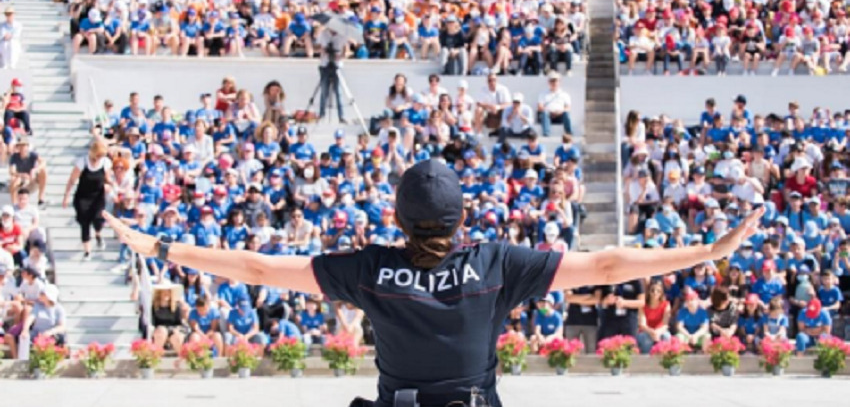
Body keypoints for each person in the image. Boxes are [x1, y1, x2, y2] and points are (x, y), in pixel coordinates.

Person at [106, 160, 764, 407]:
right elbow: (610, 266)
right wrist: (707, 249)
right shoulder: (495, 264)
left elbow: (253, 267)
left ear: (396, 218)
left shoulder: (368, 269)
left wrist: (159, 244)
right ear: (462, 218)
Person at [63, 139, 113, 260]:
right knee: (84, 222)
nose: (100, 157)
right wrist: (66, 196)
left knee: (98, 218)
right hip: (83, 196)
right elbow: (72, 180)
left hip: (98, 196)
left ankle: (98, 234)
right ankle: (87, 250)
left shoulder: (105, 163)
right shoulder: (83, 162)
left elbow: (107, 178)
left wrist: (111, 186)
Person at [316, 25, 348, 124]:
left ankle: (341, 116)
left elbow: (346, 50)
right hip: (325, 64)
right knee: (324, 90)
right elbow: (317, 48)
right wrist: (323, 51)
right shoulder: (323, 34)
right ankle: (322, 114)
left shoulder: (342, 36)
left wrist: (340, 56)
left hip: (337, 65)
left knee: (338, 92)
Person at [8, 137, 46, 206]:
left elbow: (43, 162)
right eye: (20, 146)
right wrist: (22, 175)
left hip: (33, 179)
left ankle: (41, 199)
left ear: (27, 146)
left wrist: (35, 169)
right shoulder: (14, 156)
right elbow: (12, 171)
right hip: (21, 180)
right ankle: (14, 204)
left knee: (43, 171)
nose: (22, 148)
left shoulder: (32, 154)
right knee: (14, 180)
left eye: (24, 145)